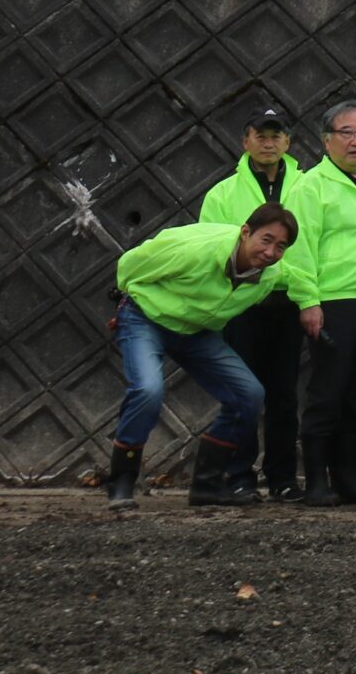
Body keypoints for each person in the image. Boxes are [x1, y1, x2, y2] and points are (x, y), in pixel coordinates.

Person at [105, 207, 297, 508]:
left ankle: (207, 484)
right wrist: (128, 295)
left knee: (249, 393)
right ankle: (121, 482)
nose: (270, 252)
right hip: (146, 317)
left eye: (281, 247)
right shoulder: (198, 250)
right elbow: (131, 264)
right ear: (246, 232)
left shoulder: (269, 277)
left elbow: (295, 280)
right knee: (148, 389)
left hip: (197, 330)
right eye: (266, 240)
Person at [287, 100, 356, 507]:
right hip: (334, 302)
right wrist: (308, 301)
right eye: (346, 133)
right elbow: (299, 251)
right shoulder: (311, 187)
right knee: (327, 392)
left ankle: (349, 476)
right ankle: (316, 479)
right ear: (326, 140)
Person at [199, 107, 307, 499]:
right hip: (242, 304)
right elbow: (211, 246)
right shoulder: (223, 193)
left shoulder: (308, 186)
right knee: (243, 392)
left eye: (276, 135)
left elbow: (313, 247)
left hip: (288, 301)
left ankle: (281, 478)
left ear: (288, 143)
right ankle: (239, 474)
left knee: (284, 394)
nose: (268, 142)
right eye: (260, 135)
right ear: (246, 141)